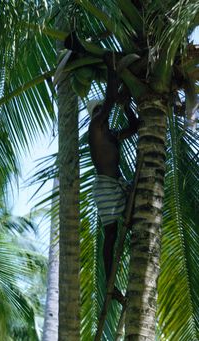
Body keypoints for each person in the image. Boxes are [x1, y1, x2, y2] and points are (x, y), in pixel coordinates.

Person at [88, 67, 138, 303]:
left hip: (116, 185)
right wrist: (112, 71)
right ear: (94, 115)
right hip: (106, 186)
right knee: (110, 234)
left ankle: (112, 280)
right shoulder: (96, 128)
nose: (101, 113)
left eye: (101, 111)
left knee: (120, 227)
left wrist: (126, 105)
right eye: (97, 111)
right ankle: (110, 282)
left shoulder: (111, 134)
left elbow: (135, 127)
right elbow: (108, 101)